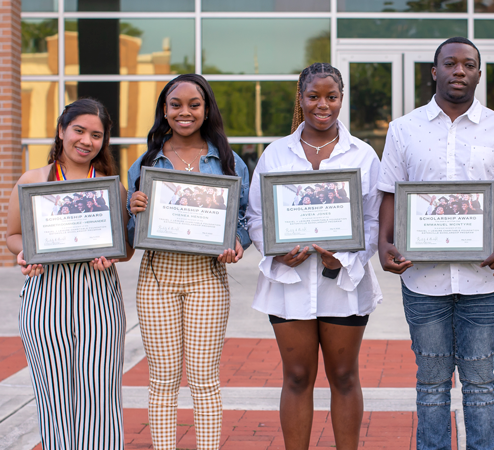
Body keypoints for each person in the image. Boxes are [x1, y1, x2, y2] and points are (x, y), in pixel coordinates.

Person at [377, 37, 494, 450]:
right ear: (435, 71)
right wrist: (383, 241)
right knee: (431, 384)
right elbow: (390, 192)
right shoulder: (404, 129)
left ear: (479, 73)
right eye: (450, 63)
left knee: (480, 383)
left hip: (482, 282)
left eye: (468, 64)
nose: (458, 70)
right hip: (423, 281)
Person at [245, 62, 382, 450]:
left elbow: (373, 220)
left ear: (341, 99)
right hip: (288, 283)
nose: (323, 105)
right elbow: (256, 216)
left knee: (343, 375)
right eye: (314, 96)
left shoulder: (363, 155)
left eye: (331, 97)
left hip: (344, 282)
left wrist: (346, 258)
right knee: (298, 376)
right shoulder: (276, 154)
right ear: (301, 99)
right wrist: (274, 251)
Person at [126, 73, 251, 450]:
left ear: (206, 108)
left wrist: (237, 240)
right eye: (175, 105)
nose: (185, 112)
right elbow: (133, 232)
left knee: (203, 378)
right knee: (162, 379)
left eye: (194, 105)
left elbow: (243, 217)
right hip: (157, 279)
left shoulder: (228, 162)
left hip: (207, 279)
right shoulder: (146, 163)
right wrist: (133, 210)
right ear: (164, 111)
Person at [4, 98, 134, 449]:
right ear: (62, 131)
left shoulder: (111, 186)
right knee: (54, 398)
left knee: (100, 393)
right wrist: (25, 253)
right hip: (46, 296)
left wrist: (112, 255)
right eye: (79, 130)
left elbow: (126, 247)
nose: (86, 141)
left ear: (104, 141)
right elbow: (13, 235)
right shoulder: (32, 181)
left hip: (98, 297)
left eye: (96, 135)